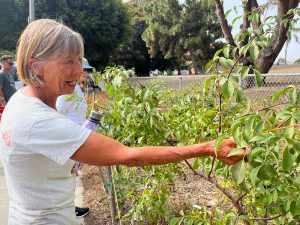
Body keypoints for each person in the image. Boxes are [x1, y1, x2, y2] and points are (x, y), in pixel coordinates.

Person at [0, 19, 248, 224]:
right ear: (36, 66)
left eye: (79, 61)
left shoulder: (21, 102)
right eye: (69, 62)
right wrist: (206, 148)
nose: (79, 71)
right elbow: (129, 155)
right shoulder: (38, 121)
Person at [56, 75, 90, 218]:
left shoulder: (76, 87)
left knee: (72, 173)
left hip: (75, 136)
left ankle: (69, 208)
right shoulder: (68, 89)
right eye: (85, 71)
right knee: (69, 173)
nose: (86, 74)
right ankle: (68, 209)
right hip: (69, 138)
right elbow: (59, 109)